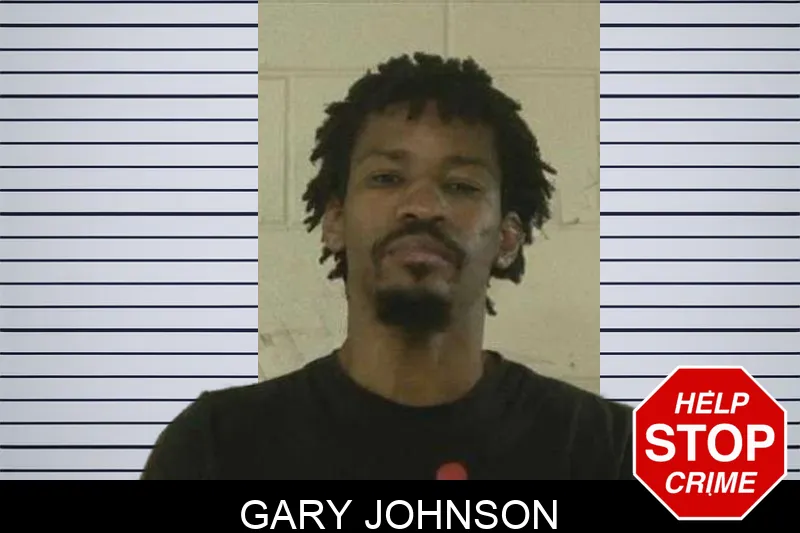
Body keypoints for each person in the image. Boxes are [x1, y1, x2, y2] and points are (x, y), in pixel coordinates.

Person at [141, 52, 633, 480]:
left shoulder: (608, 451)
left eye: (461, 185)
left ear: (507, 238)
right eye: (386, 177)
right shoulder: (217, 447)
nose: (422, 205)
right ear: (335, 222)